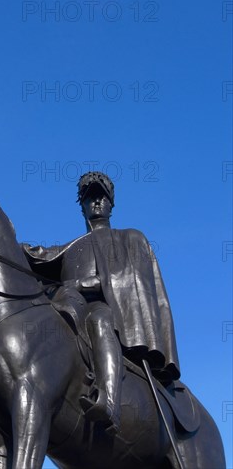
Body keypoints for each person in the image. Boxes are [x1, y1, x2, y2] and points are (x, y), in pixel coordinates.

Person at [22, 172, 180, 434]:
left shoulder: (130, 238)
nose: (96, 202)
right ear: (81, 205)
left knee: (99, 319)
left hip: (103, 311)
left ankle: (108, 401)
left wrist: (83, 285)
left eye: (101, 197)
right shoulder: (69, 248)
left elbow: (132, 278)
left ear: (111, 204)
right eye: (89, 197)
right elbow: (25, 254)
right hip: (67, 308)